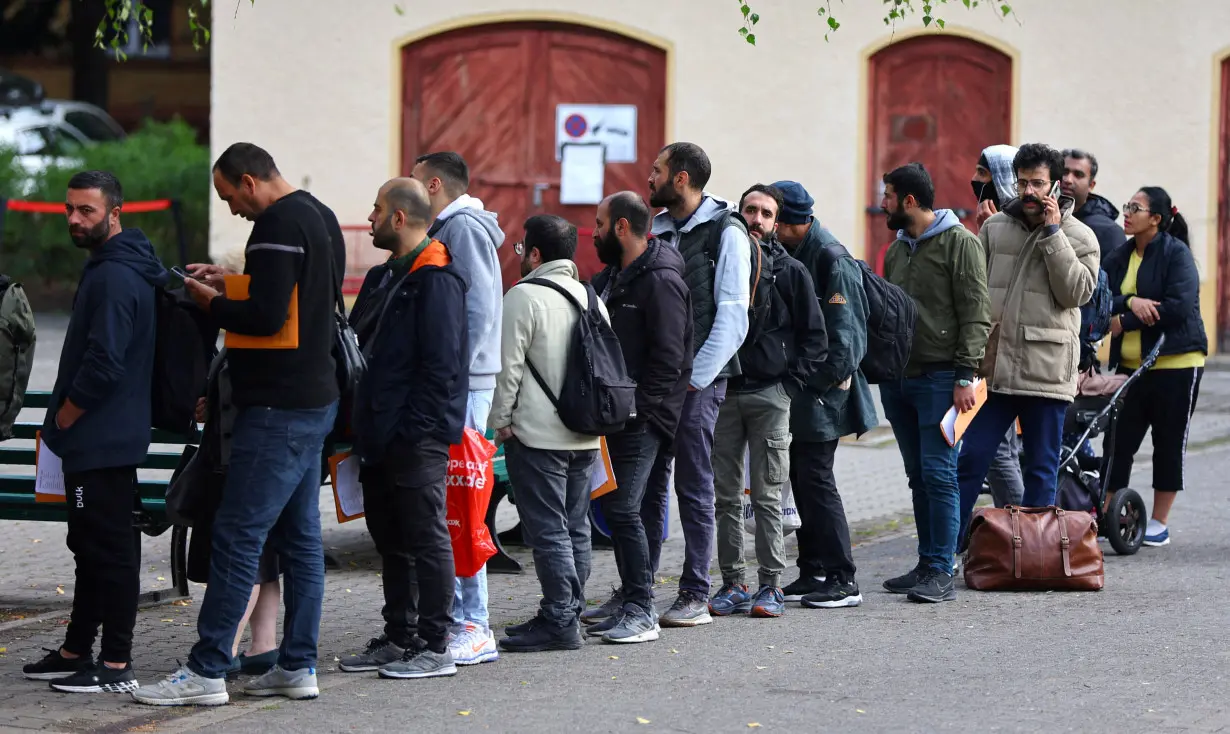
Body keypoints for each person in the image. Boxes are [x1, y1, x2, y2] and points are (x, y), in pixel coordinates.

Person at [133, 143, 342, 706]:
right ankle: (297, 666)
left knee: (236, 535)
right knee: (300, 540)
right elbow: (296, 300)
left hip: (275, 408)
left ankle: (205, 672)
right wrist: (229, 280)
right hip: (314, 399)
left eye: (229, 197)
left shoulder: (274, 224)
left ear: (250, 182)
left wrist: (209, 302)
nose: (232, 210)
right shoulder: (316, 215)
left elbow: (268, 316)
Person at [22, 171, 167, 694]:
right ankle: (75, 649)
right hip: (103, 438)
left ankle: (115, 664)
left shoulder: (114, 276)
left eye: (87, 210)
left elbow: (104, 362)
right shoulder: (113, 266)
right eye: (70, 209)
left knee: (110, 551)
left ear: (115, 214)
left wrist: (65, 416)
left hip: (101, 438)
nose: (75, 219)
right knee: (91, 546)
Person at [340, 178, 469, 680]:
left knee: (426, 536)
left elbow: (442, 368)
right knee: (390, 538)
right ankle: (400, 636)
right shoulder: (381, 277)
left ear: (399, 218)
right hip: (376, 433)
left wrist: (415, 431)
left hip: (415, 438)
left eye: (375, 210)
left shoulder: (437, 278)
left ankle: (436, 645)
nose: (368, 219)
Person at [956, 143, 1100, 549]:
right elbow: (976, 293)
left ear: (1056, 184)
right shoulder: (996, 227)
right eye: (1023, 183)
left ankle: (1034, 556)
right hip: (996, 371)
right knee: (969, 461)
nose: (1030, 191)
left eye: (1038, 183)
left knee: (1041, 469)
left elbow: (1076, 293)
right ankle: (944, 553)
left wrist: (1053, 234)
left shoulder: (1080, 236)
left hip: (1045, 371)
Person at [643, 142, 754, 628]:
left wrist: (695, 381)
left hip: (697, 383)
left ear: (682, 178)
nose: (650, 178)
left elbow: (733, 318)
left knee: (693, 484)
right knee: (646, 484)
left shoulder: (725, 231)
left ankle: (694, 592)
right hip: (659, 382)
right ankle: (637, 590)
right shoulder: (661, 228)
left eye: (657, 170)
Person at [708, 183, 827, 618]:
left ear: (777, 222)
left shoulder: (792, 272)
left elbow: (817, 339)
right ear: (739, 215)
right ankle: (732, 582)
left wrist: (787, 388)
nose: (756, 219)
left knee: (767, 497)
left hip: (770, 396)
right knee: (723, 497)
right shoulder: (721, 264)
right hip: (724, 395)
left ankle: (771, 586)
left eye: (765, 213)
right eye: (750, 211)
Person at [879, 163, 991, 604]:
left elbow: (976, 313)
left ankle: (942, 569)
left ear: (909, 201)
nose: (883, 203)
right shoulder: (896, 249)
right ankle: (926, 562)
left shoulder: (960, 242)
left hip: (943, 378)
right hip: (901, 379)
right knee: (918, 477)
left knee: (940, 475)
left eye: (888, 195)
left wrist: (966, 373)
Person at [492, 215, 603, 653]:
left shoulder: (523, 296)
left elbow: (509, 368)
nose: (520, 256)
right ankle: (566, 612)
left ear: (535, 253)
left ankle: (559, 618)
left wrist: (501, 422)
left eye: (522, 249)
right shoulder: (590, 297)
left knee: (548, 531)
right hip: (586, 434)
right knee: (575, 527)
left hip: (537, 436)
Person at [585, 192, 692, 643]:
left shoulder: (661, 280)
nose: (593, 232)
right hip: (617, 415)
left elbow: (670, 359)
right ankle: (632, 595)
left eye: (599, 224)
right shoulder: (613, 277)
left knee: (622, 508)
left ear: (622, 228)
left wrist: (642, 413)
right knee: (632, 508)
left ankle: (641, 610)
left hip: (643, 418)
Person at [410, 152, 504, 665]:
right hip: (461, 383)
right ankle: (458, 618)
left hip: (464, 385)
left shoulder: (461, 228)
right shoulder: (455, 225)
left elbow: (481, 307)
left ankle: (476, 623)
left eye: (414, 181)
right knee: (452, 505)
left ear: (435, 184)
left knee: (463, 504)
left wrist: (451, 374)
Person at [771, 180, 876, 609]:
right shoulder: (795, 251)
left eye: (776, 221)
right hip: (804, 392)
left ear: (795, 223)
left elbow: (846, 344)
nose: (770, 229)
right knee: (801, 479)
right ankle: (812, 568)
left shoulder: (832, 258)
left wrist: (808, 385)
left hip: (823, 394)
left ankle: (843, 578)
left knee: (816, 480)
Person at [1104, 187, 1206, 547]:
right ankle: (1107, 513)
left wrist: (1126, 320)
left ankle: (1159, 521)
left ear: (1157, 219)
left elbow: (1178, 306)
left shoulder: (1176, 255)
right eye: (1127, 206)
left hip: (1177, 363)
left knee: (1168, 441)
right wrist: (1132, 301)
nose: (1126, 213)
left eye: (1135, 208)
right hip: (1131, 368)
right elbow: (1100, 295)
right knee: (1118, 442)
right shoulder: (1121, 254)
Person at [971, 144, 1026, 512]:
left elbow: (990, 285)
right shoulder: (992, 221)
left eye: (984, 172)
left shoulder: (1015, 224)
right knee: (991, 451)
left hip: (1007, 354)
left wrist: (984, 233)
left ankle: (1026, 531)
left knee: (998, 452)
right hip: (988, 354)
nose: (975, 179)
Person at [1061, 148, 1127, 261]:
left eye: (1078, 175)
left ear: (1091, 185)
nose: (1068, 179)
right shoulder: (1039, 217)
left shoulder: (1109, 232)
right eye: (1064, 172)